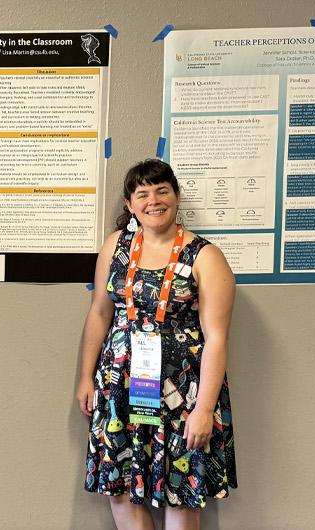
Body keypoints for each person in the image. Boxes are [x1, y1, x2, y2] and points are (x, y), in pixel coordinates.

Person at [75, 159, 238, 529]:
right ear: (130, 205)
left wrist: (204, 409)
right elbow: (100, 314)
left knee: (179, 493)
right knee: (119, 488)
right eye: (142, 193)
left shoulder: (204, 256)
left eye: (162, 190)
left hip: (182, 395)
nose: (153, 200)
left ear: (176, 197)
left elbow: (216, 337)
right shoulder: (116, 246)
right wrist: (86, 378)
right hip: (120, 386)